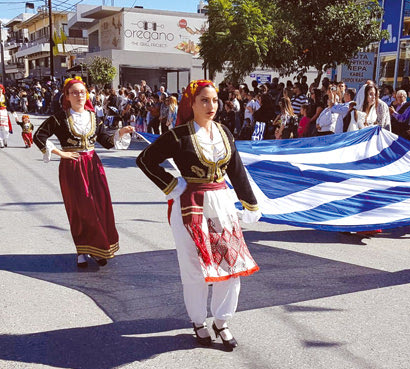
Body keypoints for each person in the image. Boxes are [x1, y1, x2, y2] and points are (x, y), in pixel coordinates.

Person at [136, 80, 261, 350]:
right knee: (194, 268)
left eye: (214, 100)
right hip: (189, 206)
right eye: (204, 100)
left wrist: (250, 203)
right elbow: (145, 159)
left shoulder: (224, 131)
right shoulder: (178, 135)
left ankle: (222, 320)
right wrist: (172, 184)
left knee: (229, 264)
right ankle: (198, 321)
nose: (211, 106)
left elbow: (237, 171)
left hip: (222, 205)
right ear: (191, 103)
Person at [33, 77, 134, 268]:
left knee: (99, 207)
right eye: (74, 92)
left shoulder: (94, 117)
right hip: (72, 167)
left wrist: (121, 133)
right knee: (81, 210)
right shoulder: (59, 118)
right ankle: (81, 249)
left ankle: (98, 248)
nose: (79, 95)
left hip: (93, 166)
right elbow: (39, 136)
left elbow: (105, 140)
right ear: (67, 96)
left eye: (82, 92)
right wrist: (60, 153)